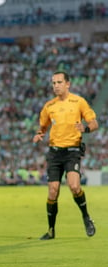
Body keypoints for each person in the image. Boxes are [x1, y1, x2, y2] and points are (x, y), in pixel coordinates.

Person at [32, 71, 99, 240]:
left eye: (59, 82)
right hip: (55, 153)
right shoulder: (49, 106)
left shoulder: (79, 102)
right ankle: (51, 230)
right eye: (53, 83)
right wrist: (39, 134)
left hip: (72, 151)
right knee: (53, 192)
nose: (56, 86)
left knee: (74, 186)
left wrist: (87, 128)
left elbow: (94, 123)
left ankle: (86, 217)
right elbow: (43, 126)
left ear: (68, 84)